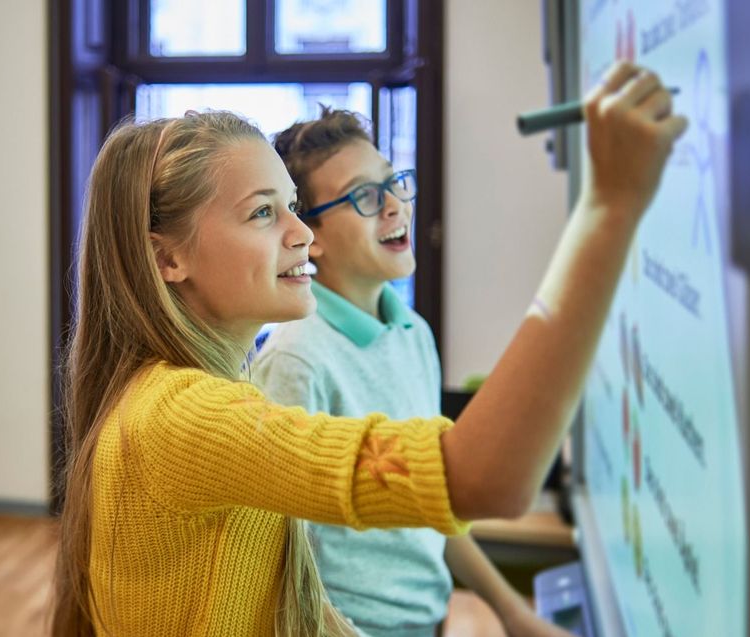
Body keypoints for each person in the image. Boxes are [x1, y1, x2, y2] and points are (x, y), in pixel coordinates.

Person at [51, 61, 687, 636]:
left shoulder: (197, 396)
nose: (302, 234)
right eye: (262, 214)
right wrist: (608, 207)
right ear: (168, 257)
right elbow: (483, 477)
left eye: (293, 207)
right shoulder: (184, 416)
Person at [254, 107, 573, 637]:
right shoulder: (296, 359)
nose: (395, 206)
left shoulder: (413, 334)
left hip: (429, 621)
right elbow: (281, 565)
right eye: (364, 196)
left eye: (393, 183)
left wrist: (513, 613)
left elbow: (434, 502)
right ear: (313, 235)